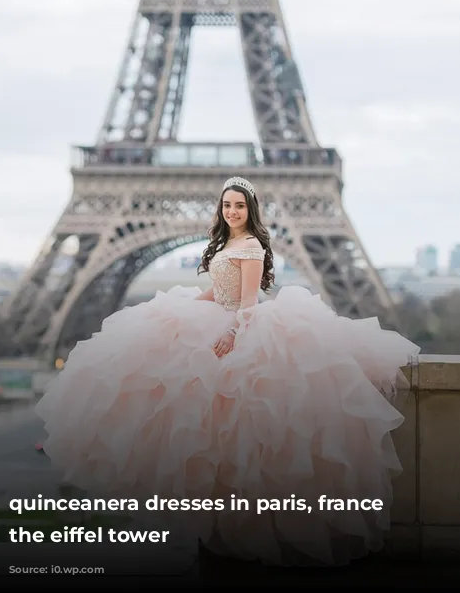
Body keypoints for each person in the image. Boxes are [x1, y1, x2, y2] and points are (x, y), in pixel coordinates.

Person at [35, 176, 420, 567]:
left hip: (241, 326)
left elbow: (249, 301)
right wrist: (181, 305)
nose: (232, 212)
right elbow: (218, 291)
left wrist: (233, 331)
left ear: (250, 209)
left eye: (239, 206)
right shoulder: (228, 243)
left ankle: (249, 531)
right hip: (219, 316)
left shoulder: (250, 245)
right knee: (210, 430)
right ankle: (221, 525)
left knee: (238, 434)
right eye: (227, 206)